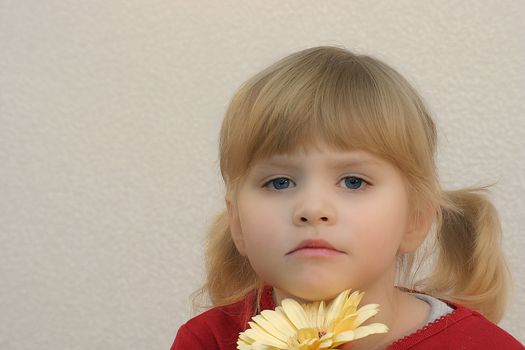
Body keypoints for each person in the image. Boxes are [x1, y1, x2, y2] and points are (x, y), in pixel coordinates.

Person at [170, 46, 523, 349]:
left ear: (415, 218)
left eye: (353, 181)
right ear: (237, 223)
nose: (312, 209)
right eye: (279, 183)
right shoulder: (209, 341)